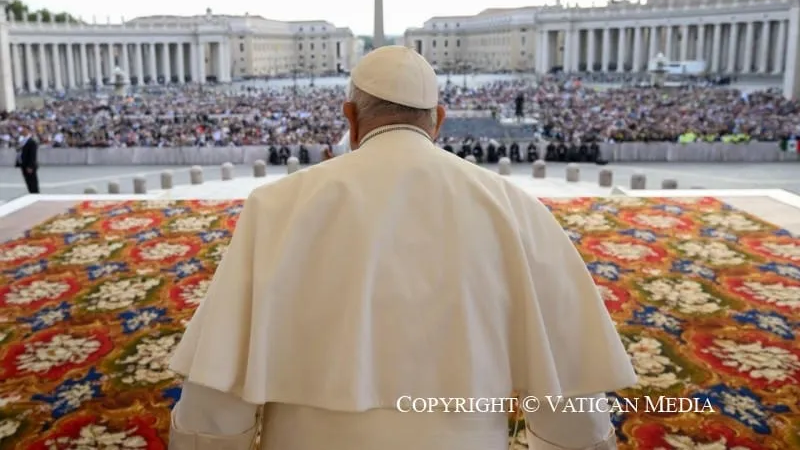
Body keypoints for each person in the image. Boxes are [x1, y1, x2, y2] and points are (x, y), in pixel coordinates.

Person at [167, 45, 636, 450]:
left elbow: (216, 399)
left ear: (350, 119)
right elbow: (570, 401)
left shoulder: (275, 206)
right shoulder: (516, 209)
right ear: (439, 121)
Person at [15, 126, 39, 194]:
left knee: (32, 182)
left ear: (27, 130)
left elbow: (33, 155)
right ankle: (31, 193)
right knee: (28, 181)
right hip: (23, 164)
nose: (22, 131)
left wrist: (31, 166)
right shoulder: (22, 140)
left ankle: (35, 195)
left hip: (29, 165)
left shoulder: (31, 141)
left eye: (23, 129)